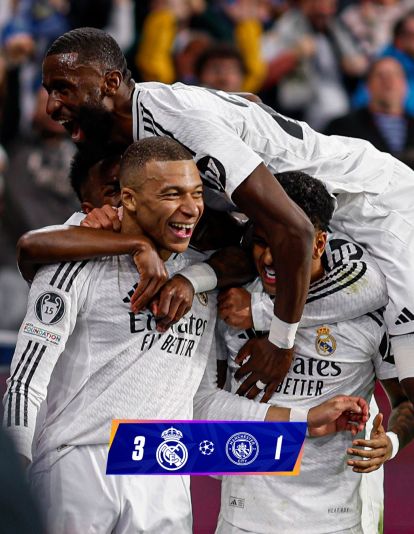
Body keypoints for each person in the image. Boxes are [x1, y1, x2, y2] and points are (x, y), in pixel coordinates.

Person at [3, 137, 367, 534]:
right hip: (76, 465)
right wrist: (13, 488)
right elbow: (24, 385)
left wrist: (303, 423)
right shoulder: (73, 264)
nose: (192, 207)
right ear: (128, 198)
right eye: (172, 194)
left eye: (196, 194)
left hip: (164, 467)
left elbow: (201, 403)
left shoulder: (203, 278)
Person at [41, 27, 414, 404]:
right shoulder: (153, 117)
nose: (51, 106)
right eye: (48, 91)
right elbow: (248, 100)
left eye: (63, 88)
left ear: (110, 82)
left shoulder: (176, 120)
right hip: (333, 214)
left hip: (378, 204)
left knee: (411, 388)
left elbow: (295, 229)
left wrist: (280, 343)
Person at [198, 171, 414, 534]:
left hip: (336, 522)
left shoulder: (372, 311)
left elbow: (406, 402)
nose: (268, 257)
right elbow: (202, 409)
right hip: (243, 518)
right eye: (260, 241)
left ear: (318, 244)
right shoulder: (230, 305)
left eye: (283, 244)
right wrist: (303, 419)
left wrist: (389, 442)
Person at [326, 57, 414, 170]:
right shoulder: (342, 127)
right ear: (368, 85)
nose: (388, 81)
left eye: (395, 75)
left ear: (405, 85)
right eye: (381, 76)